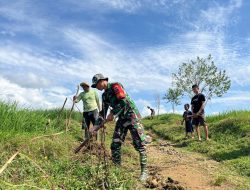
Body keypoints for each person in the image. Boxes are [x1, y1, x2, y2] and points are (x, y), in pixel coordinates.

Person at [89, 73, 148, 181]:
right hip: (121, 119)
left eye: (96, 85)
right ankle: (117, 170)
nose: (96, 87)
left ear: (102, 81)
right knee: (115, 144)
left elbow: (123, 101)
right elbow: (103, 113)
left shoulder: (116, 86)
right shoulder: (104, 96)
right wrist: (96, 126)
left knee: (139, 144)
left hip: (132, 116)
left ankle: (144, 172)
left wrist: (112, 113)